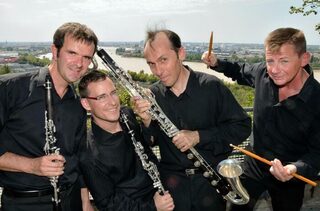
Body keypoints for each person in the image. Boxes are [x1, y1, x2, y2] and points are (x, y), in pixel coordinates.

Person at [132, 29, 252, 211]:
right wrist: (147, 122)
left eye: (163, 60)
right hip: (172, 189)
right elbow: (149, 142)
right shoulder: (154, 95)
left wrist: (199, 136)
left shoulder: (211, 87)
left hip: (210, 186)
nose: (158, 71)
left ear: (181, 53)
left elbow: (242, 127)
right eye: (151, 64)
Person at [202, 27, 320, 211]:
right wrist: (217, 62)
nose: (274, 69)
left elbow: (317, 154)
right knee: (236, 207)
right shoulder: (262, 73)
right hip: (254, 162)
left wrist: (294, 169)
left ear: (304, 58)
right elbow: (239, 70)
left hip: (289, 175)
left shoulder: (317, 100)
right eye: (270, 60)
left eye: (284, 61)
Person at [0, 22, 98, 211]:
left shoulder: (78, 105)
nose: (79, 64)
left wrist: (85, 202)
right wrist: (31, 165)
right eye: (72, 53)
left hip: (71, 201)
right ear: (55, 51)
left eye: (86, 57)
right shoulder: (10, 89)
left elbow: (78, 159)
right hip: (25, 203)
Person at [77, 70, 175, 211]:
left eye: (113, 93)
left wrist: (147, 121)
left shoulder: (126, 114)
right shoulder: (90, 155)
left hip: (164, 193)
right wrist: (153, 206)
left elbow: (150, 142)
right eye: (102, 97)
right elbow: (109, 204)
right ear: (86, 103)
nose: (112, 102)